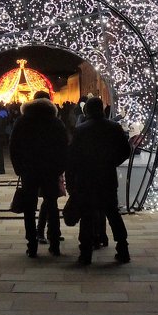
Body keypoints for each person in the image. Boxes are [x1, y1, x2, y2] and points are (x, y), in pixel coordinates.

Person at [66, 96, 132, 265]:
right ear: (102, 109)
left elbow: (72, 157)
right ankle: (123, 248)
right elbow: (126, 150)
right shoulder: (114, 127)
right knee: (112, 213)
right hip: (107, 177)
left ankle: (85, 253)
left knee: (87, 216)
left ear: (86, 110)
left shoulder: (81, 130)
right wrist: (111, 162)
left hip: (86, 178)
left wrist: (71, 181)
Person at [9, 91, 69, 258]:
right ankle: (55, 244)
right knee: (52, 206)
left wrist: (19, 168)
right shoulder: (56, 122)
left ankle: (32, 244)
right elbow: (64, 147)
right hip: (50, 171)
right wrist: (59, 168)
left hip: (29, 170)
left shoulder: (22, 121)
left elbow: (14, 146)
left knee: (29, 208)